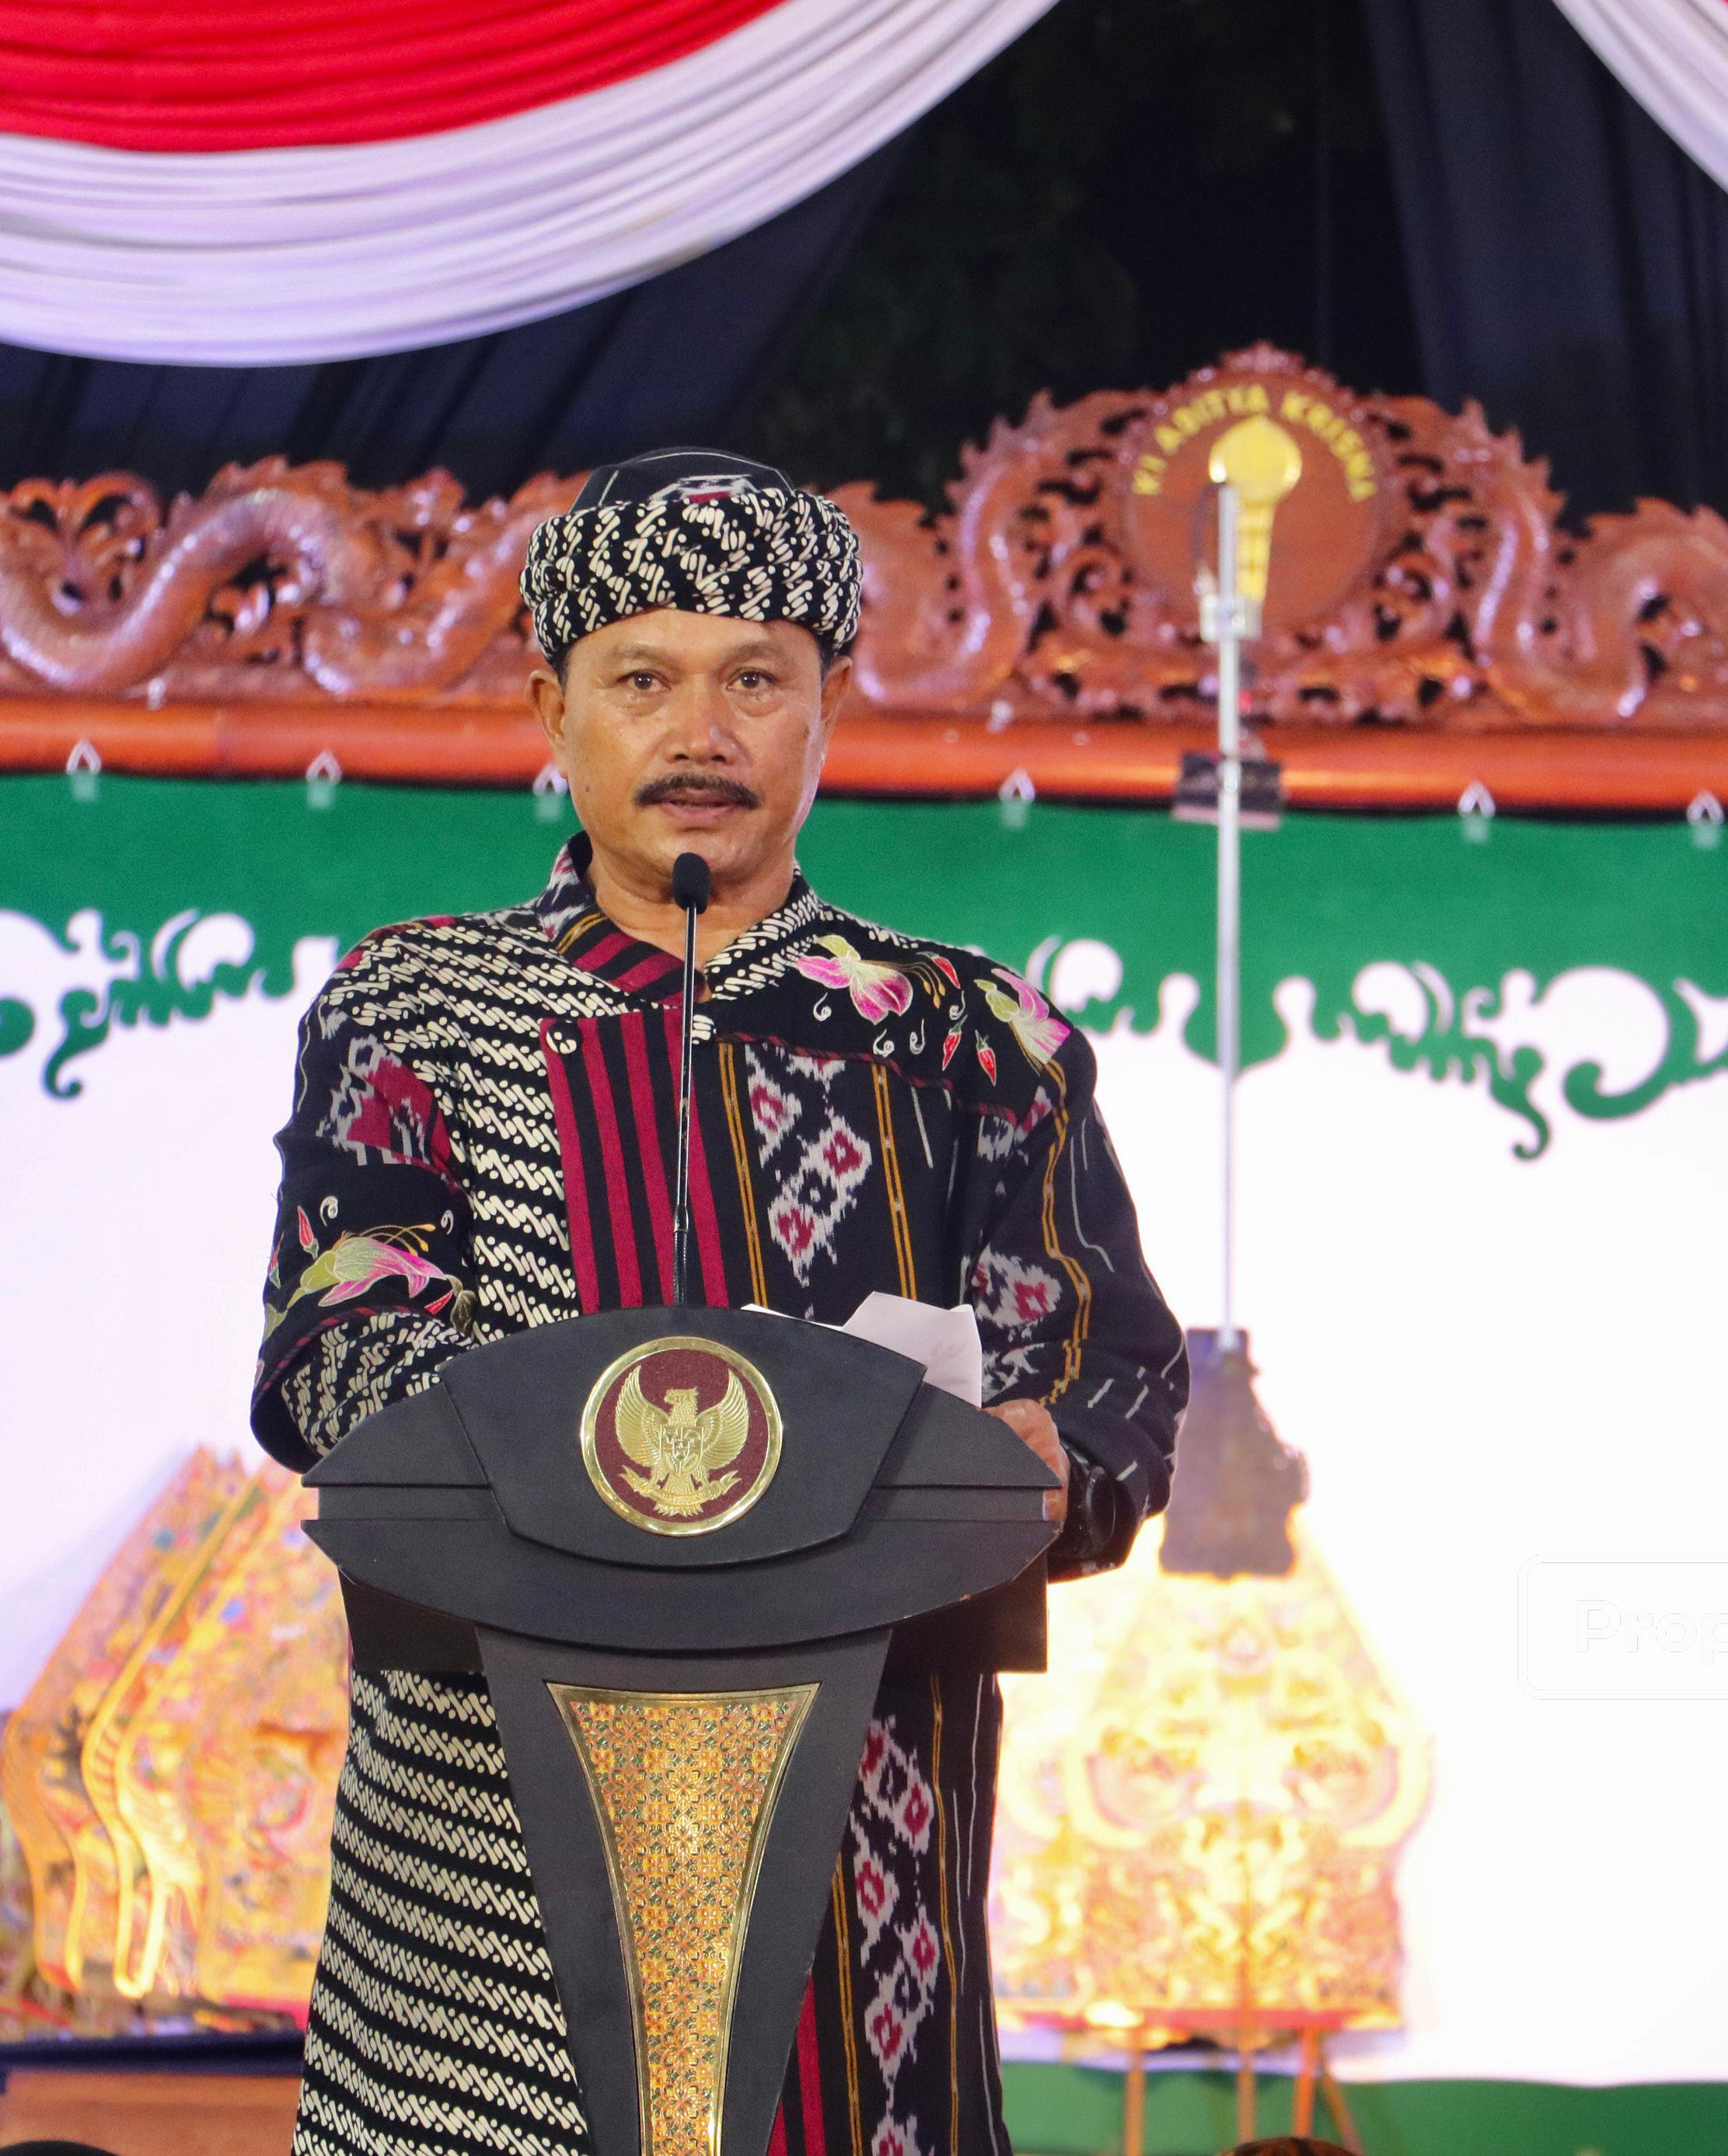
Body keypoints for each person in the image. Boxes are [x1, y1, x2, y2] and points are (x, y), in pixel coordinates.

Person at [251, 448, 1189, 2156]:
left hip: (861, 1870)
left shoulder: (974, 1040)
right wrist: (607, 1469)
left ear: (828, 708)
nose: (701, 733)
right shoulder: (416, 1005)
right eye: (643, 681)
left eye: (755, 680)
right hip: (483, 1884)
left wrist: (1052, 1455)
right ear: (552, 711)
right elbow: (337, 1354)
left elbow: (1113, 1382)